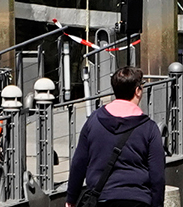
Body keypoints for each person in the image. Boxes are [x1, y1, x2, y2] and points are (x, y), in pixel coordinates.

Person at [66, 64, 164, 207]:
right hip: (138, 200)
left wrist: (71, 199)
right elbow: (157, 175)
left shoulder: (93, 121)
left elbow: (79, 163)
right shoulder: (149, 128)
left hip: (101, 199)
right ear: (137, 91)